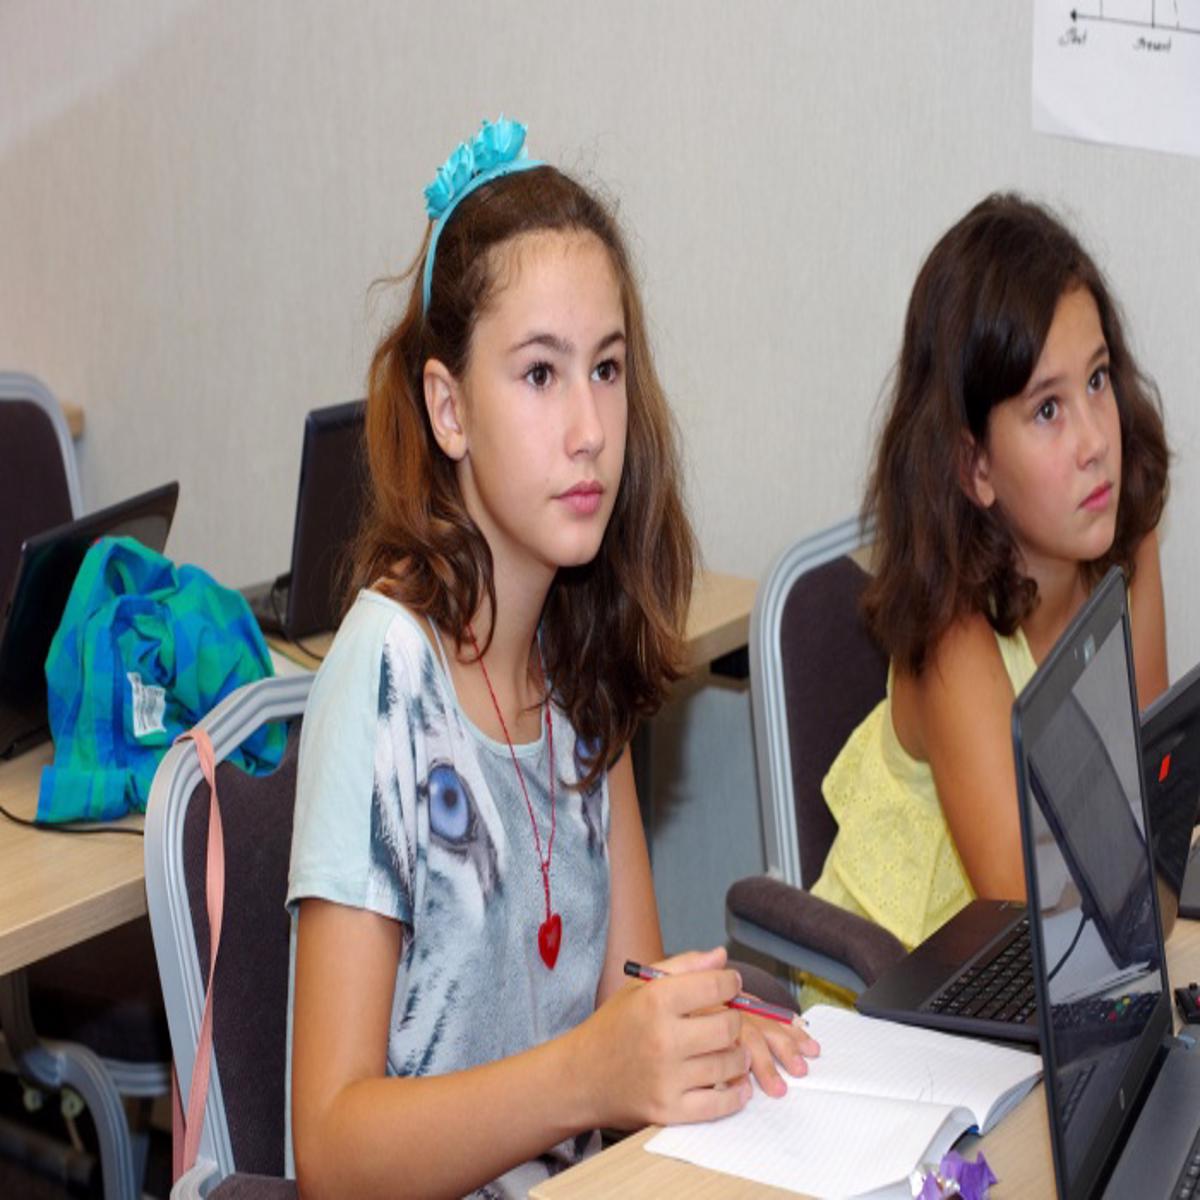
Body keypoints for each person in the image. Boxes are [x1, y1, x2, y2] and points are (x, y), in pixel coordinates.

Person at [286, 118, 818, 1199]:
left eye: (606, 369)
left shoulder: (578, 650)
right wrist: (588, 1074)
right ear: (449, 409)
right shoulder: (382, 679)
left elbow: (626, 993)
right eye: (539, 374)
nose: (590, 429)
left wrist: (700, 1035)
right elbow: (330, 1148)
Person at [811, 193, 1170, 954]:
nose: (1095, 442)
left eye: (1097, 381)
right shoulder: (951, 636)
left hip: (1048, 977)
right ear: (974, 465)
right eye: (1048, 411)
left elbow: (1150, 807)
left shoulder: (1125, 542)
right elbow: (1042, 919)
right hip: (896, 988)